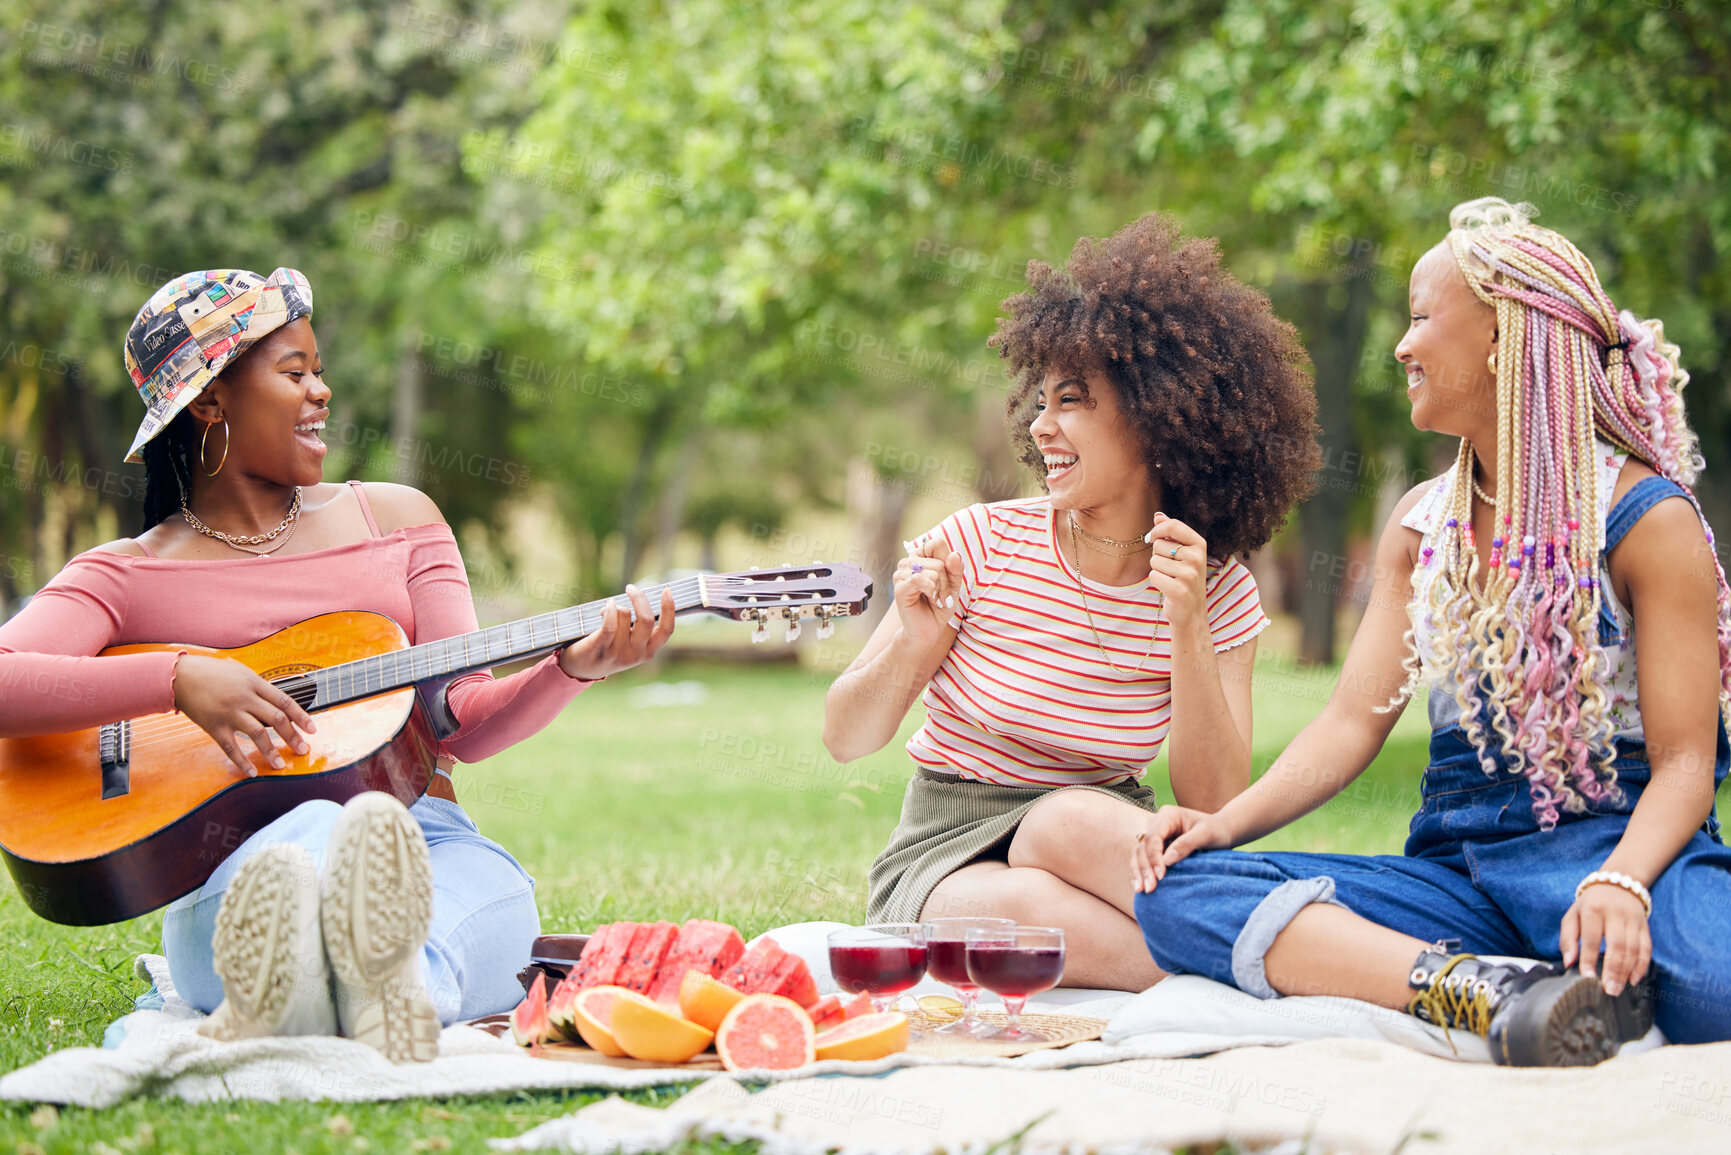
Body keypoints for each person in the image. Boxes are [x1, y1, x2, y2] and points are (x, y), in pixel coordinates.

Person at [0, 268, 675, 1061]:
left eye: (319, 369)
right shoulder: (128, 573)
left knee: (493, 894)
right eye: (294, 373)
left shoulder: (395, 520)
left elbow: (461, 723)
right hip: (236, 866)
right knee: (318, 829)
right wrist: (177, 679)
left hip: (424, 838)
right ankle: (361, 988)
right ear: (209, 400)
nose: (320, 391)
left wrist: (575, 667)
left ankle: (373, 992)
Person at [1132, 197, 1731, 1065]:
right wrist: (1223, 824)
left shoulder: (1642, 518)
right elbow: (1349, 721)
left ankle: (1573, 960)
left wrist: (1621, 881)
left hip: (1613, 846)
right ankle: (1487, 991)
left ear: (1504, 338)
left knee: (1716, 984)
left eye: (1419, 319)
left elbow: (1683, 762)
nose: (1402, 346)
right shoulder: (1422, 524)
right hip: (1462, 874)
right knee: (1179, 894)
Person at [823, 214, 1321, 990]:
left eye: (1072, 400)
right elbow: (845, 737)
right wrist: (912, 646)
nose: (1039, 424)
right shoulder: (978, 544)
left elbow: (1215, 800)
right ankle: (1297, 966)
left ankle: (1274, 954)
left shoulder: (1216, 585)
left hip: (1100, 842)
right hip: (950, 853)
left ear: (1160, 414)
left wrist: (1185, 623)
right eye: (1041, 399)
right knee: (1028, 900)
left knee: (1066, 816)